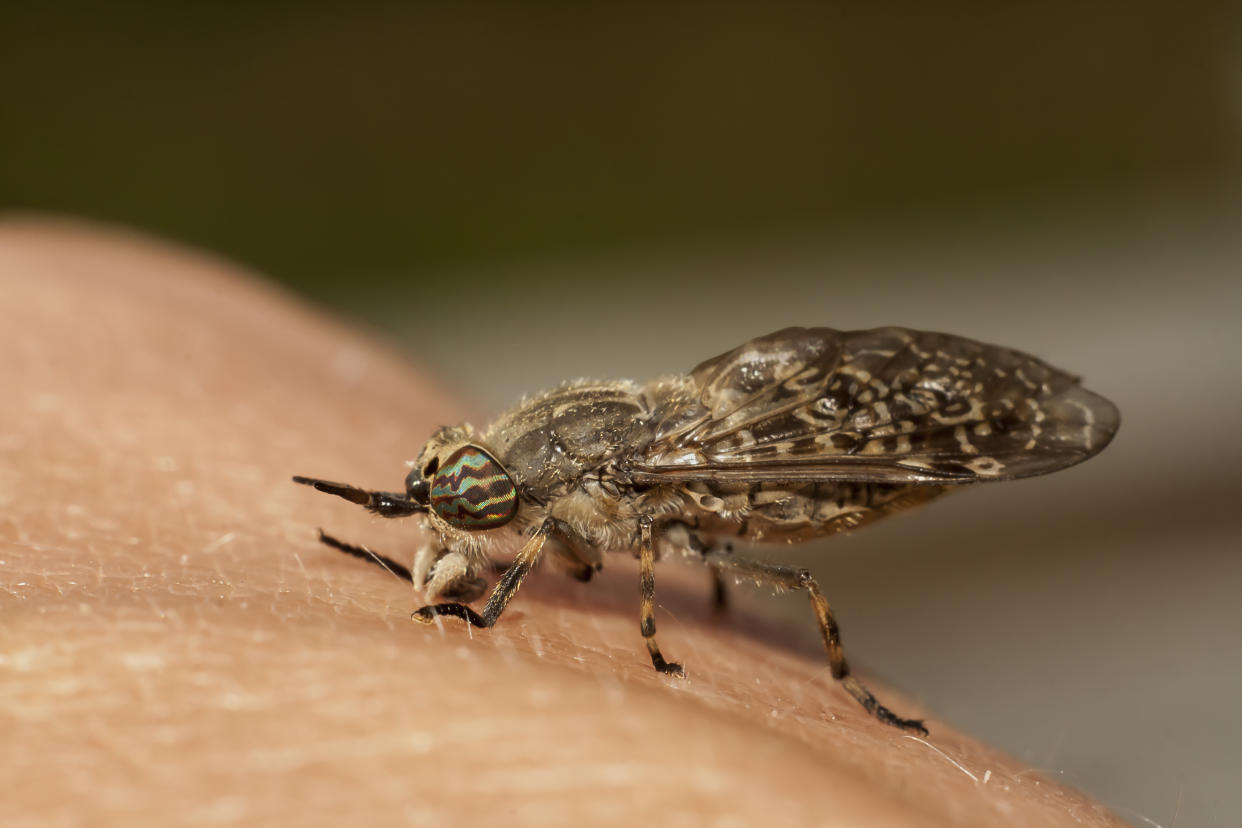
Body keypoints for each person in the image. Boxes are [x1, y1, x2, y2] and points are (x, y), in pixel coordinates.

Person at [0, 218, 1127, 826]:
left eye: (466, 487)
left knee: (797, 582)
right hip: (680, 441)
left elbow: (601, 537)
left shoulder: (576, 500)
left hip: (753, 469)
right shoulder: (537, 477)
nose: (463, 499)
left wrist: (637, 635)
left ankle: (847, 688)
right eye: (452, 481)